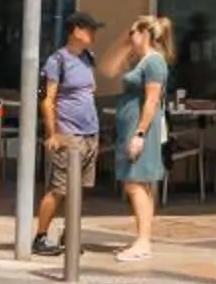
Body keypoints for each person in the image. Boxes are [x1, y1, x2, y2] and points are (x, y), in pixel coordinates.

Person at [29, 13, 100, 257]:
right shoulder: (57, 60)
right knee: (59, 189)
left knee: (79, 189)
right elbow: (47, 100)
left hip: (90, 133)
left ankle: (69, 235)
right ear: (76, 31)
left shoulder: (89, 59)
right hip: (68, 133)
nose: (94, 34)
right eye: (90, 29)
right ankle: (40, 236)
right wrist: (53, 133)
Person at [107, 15, 174, 263]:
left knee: (136, 183)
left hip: (141, 128)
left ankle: (144, 240)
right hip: (131, 126)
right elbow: (110, 67)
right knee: (136, 183)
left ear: (145, 34)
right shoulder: (141, 61)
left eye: (133, 32)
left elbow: (152, 100)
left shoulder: (154, 63)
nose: (129, 36)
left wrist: (140, 133)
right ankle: (142, 237)